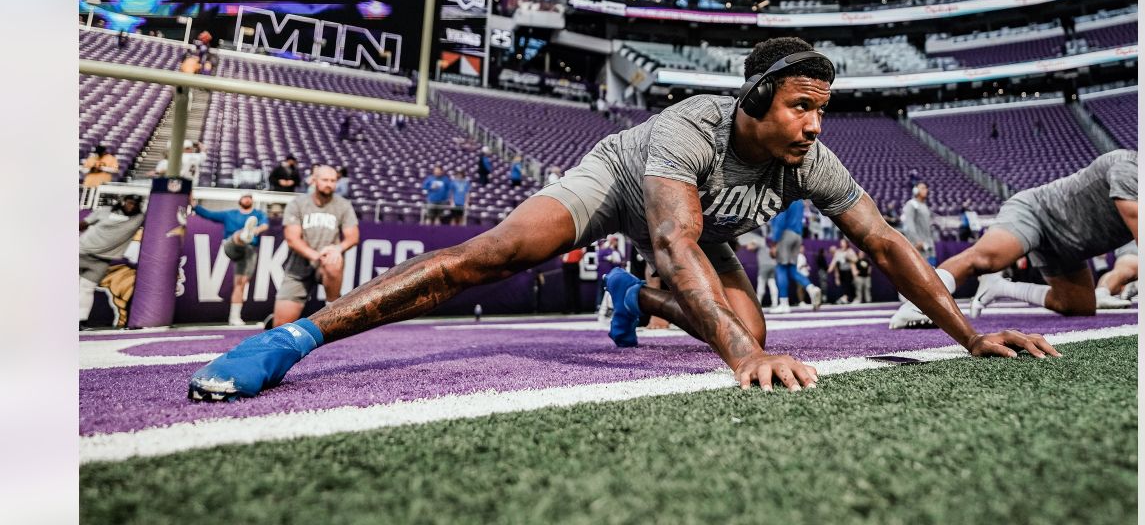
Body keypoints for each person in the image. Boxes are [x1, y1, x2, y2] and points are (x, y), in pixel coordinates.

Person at [190, 37, 1056, 402]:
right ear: (757, 101)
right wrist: (745, 357)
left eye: (823, 109)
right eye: (800, 107)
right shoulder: (692, 124)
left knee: (741, 321)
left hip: (697, 223)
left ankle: (631, 299)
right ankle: (289, 342)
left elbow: (887, 241)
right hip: (620, 184)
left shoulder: (811, 158)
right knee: (492, 254)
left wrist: (968, 333)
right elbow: (673, 236)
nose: (814, 125)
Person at [889, 150, 1138, 329]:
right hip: (1038, 212)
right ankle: (918, 303)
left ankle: (1001, 287)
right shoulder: (1127, 168)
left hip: (1071, 246)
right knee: (986, 258)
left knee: (1079, 306)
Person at [271, 166, 359, 328]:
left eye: (333, 181)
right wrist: (317, 256)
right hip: (298, 268)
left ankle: (332, 305)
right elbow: (292, 239)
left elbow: (353, 237)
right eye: (325, 180)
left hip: (326, 264)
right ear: (314, 180)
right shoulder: (297, 204)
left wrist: (336, 249)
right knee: (280, 327)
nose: (329, 184)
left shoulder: (343, 205)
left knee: (334, 261)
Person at [192, 193, 269, 325]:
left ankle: (234, 317)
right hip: (231, 246)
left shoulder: (258, 214)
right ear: (240, 200)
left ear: (252, 200)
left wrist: (256, 230)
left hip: (249, 251)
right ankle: (243, 235)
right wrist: (194, 205)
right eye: (244, 197)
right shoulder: (229, 214)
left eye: (249, 197)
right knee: (237, 236)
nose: (247, 199)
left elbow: (264, 225)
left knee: (241, 282)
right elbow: (209, 214)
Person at [79, 195, 145, 327]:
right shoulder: (105, 210)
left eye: (135, 204)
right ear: (123, 201)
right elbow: (84, 224)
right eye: (130, 203)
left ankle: (80, 321)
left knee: (86, 289)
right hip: (81, 252)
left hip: (102, 261)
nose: (131, 206)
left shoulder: (138, 218)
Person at [767, 199, 809, 314]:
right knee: (792, 269)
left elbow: (780, 220)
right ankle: (811, 288)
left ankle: (784, 304)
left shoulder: (782, 196)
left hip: (785, 234)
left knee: (781, 268)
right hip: (798, 235)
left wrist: (774, 242)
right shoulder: (800, 200)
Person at [901, 182, 935, 266]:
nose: (926, 190)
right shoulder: (911, 204)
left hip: (928, 245)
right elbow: (909, 225)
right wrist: (917, 241)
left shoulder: (925, 206)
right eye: (923, 188)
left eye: (926, 188)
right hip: (918, 246)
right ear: (915, 190)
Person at [827, 239, 858, 305]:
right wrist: (830, 268)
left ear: (846, 243)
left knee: (848, 285)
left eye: (843, 242)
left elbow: (855, 259)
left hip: (849, 271)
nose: (841, 243)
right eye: (841, 242)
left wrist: (849, 257)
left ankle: (850, 298)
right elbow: (834, 261)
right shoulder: (838, 251)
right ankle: (845, 298)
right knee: (843, 285)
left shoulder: (850, 251)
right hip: (841, 271)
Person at [560, 247, 585, 313]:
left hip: (568, 265)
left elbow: (561, 256)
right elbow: (581, 254)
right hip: (575, 265)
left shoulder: (567, 245)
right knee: (576, 288)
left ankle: (568, 309)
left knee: (568, 288)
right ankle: (577, 309)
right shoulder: (579, 245)